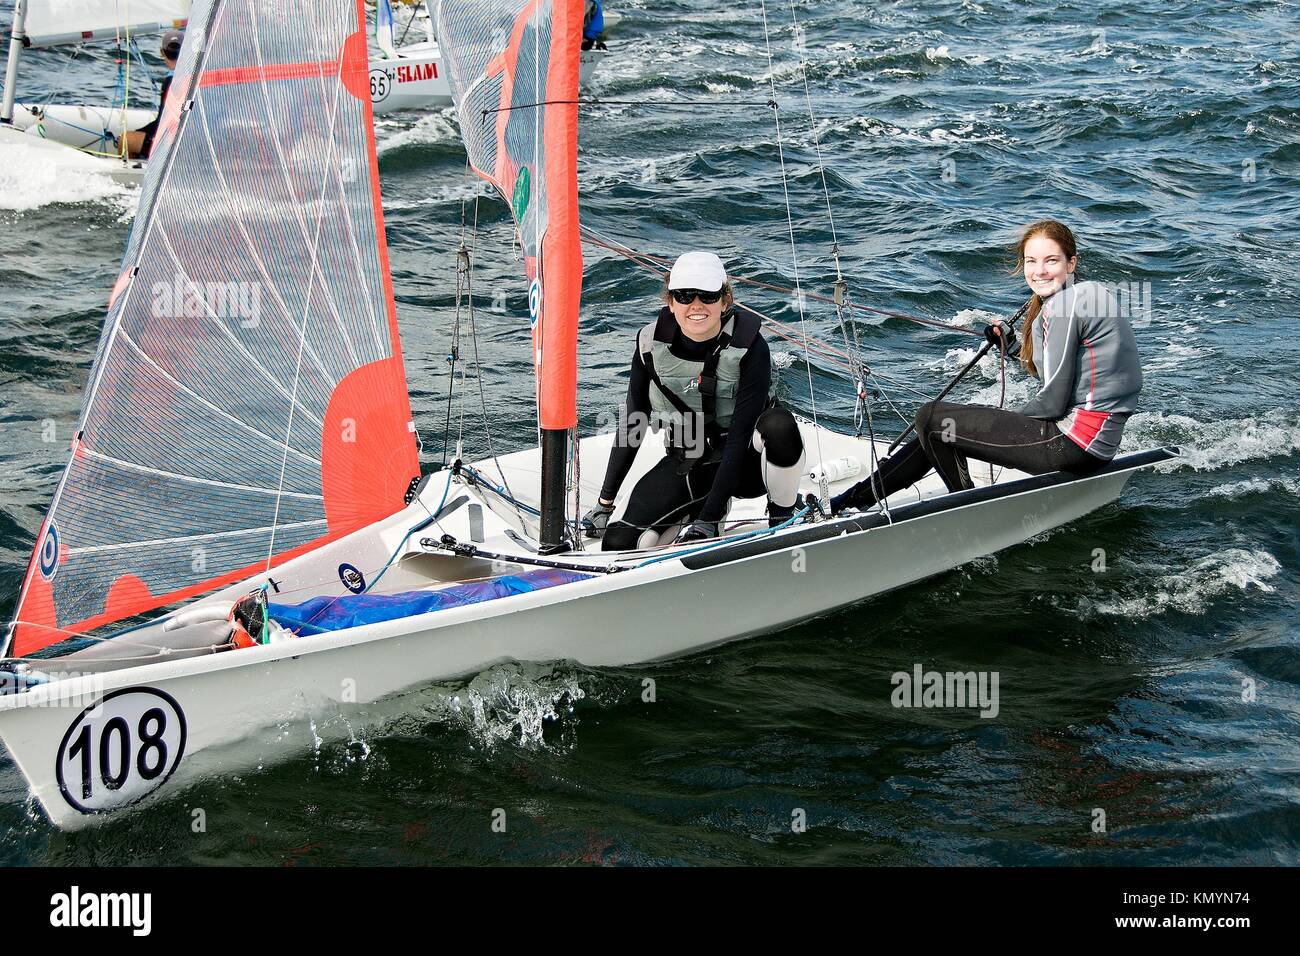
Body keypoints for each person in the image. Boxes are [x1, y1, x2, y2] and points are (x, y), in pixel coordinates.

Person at [830, 219, 1143, 514]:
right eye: (1032, 261)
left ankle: (967, 504)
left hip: (1072, 445)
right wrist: (1013, 347)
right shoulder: (1090, 295)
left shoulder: (1062, 307)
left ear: (1070, 264)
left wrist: (1000, 425)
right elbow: (1063, 373)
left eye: (1052, 261)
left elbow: (1054, 401)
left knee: (930, 417)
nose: (1040, 271)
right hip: (1098, 447)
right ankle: (852, 500)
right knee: (946, 425)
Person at [583, 251, 806, 551]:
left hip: (748, 465)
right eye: (685, 295)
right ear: (671, 301)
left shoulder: (751, 347)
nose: (696, 305)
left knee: (780, 426)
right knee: (619, 543)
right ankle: (692, 514)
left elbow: (740, 437)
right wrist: (604, 504)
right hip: (690, 458)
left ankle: (781, 519)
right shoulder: (648, 346)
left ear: (725, 301)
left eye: (708, 295)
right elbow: (633, 423)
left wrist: (708, 520)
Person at [124, 29, 182, 159]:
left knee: (126, 141)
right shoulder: (191, 76)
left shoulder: (171, 81)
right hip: (187, 138)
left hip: (172, 143)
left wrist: (138, 133)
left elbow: (162, 123)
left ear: (162, 52)